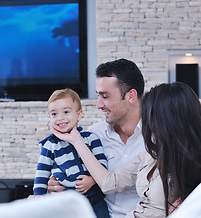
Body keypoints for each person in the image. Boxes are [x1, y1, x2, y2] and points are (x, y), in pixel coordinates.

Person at [51, 82, 201, 217]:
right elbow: (109, 183)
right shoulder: (152, 152)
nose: (146, 121)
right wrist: (76, 141)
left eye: (106, 96)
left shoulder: (181, 167)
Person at [48, 59, 145, 217]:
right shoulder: (93, 135)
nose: (98, 105)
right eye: (98, 96)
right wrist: (56, 183)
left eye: (105, 96)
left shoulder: (157, 137)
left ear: (131, 96)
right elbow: (71, 171)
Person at [32, 88, 110, 218]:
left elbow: (102, 163)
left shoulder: (91, 137)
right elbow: (41, 173)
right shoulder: (50, 145)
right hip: (68, 197)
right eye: (54, 114)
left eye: (66, 112)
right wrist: (38, 195)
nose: (60, 118)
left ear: (78, 114)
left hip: (95, 197)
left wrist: (91, 180)